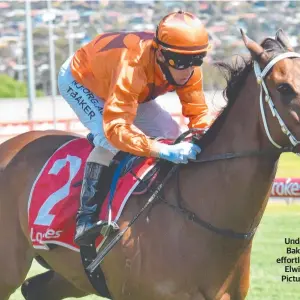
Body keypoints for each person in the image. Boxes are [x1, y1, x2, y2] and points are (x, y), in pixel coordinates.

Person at [57, 10, 213, 246]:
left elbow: (198, 113)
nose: (188, 70)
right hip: (81, 79)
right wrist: (162, 150)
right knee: (109, 139)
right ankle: (85, 220)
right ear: (160, 54)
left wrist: (202, 140)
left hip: (130, 90)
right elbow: (117, 129)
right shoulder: (133, 65)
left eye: (196, 60)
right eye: (180, 62)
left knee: (172, 133)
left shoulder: (186, 62)